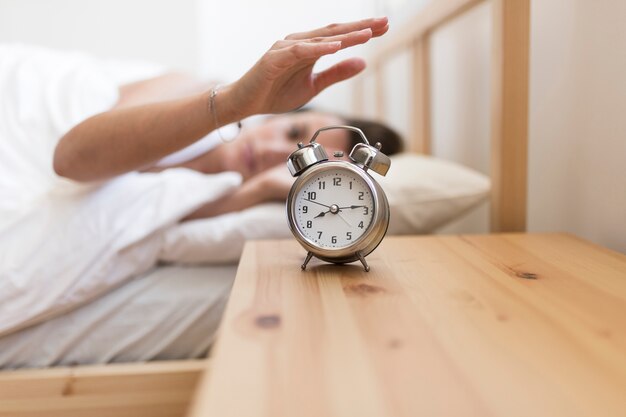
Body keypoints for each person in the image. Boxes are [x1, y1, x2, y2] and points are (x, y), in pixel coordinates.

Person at [52, 17, 401, 219]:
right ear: (274, 118)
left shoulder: (225, 193)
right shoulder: (190, 87)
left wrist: (261, 188)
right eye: (293, 134)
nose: (272, 153)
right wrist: (234, 102)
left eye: (299, 164)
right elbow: (72, 159)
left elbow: (150, 217)